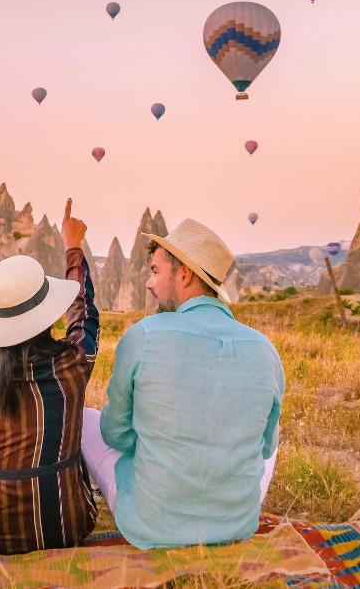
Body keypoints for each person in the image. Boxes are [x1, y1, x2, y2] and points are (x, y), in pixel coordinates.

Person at [81, 218, 285, 549]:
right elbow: (265, 447)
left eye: (156, 271)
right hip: (237, 523)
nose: (149, 283)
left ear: (185, 274)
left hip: (152, 524)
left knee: (83, 419)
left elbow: (114, 435)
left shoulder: (143, 336)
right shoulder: (265, 349)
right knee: (270, 440)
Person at [0, 199, 99, 554]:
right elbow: (84, 314)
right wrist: (73, 247)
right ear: (46, 314)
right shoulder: (73, 363)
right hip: (67, 525)